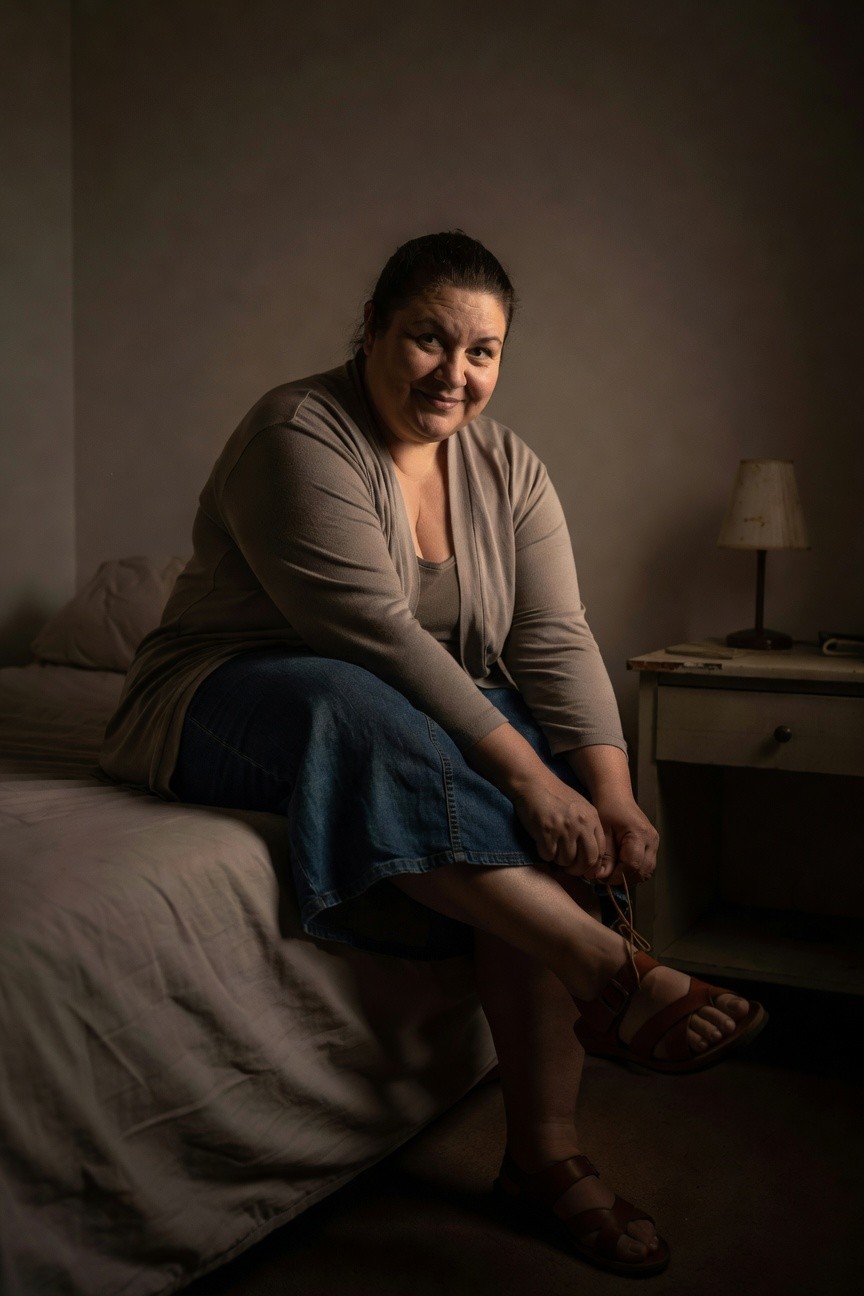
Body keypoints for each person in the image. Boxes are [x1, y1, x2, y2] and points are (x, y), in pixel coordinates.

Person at [101, 231, 766, 1277]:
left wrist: (607, 792)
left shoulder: (512, 469)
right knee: (357, 701)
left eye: (484, 351)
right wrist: (528, 781)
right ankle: (605, 966)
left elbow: (553, 636)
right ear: (372, 331)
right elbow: (374, 633)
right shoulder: (296, 431)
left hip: (398, 705)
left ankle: (543, 1158)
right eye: (427, 339)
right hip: (221, 696)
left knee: (529, 741)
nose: (456, 374)